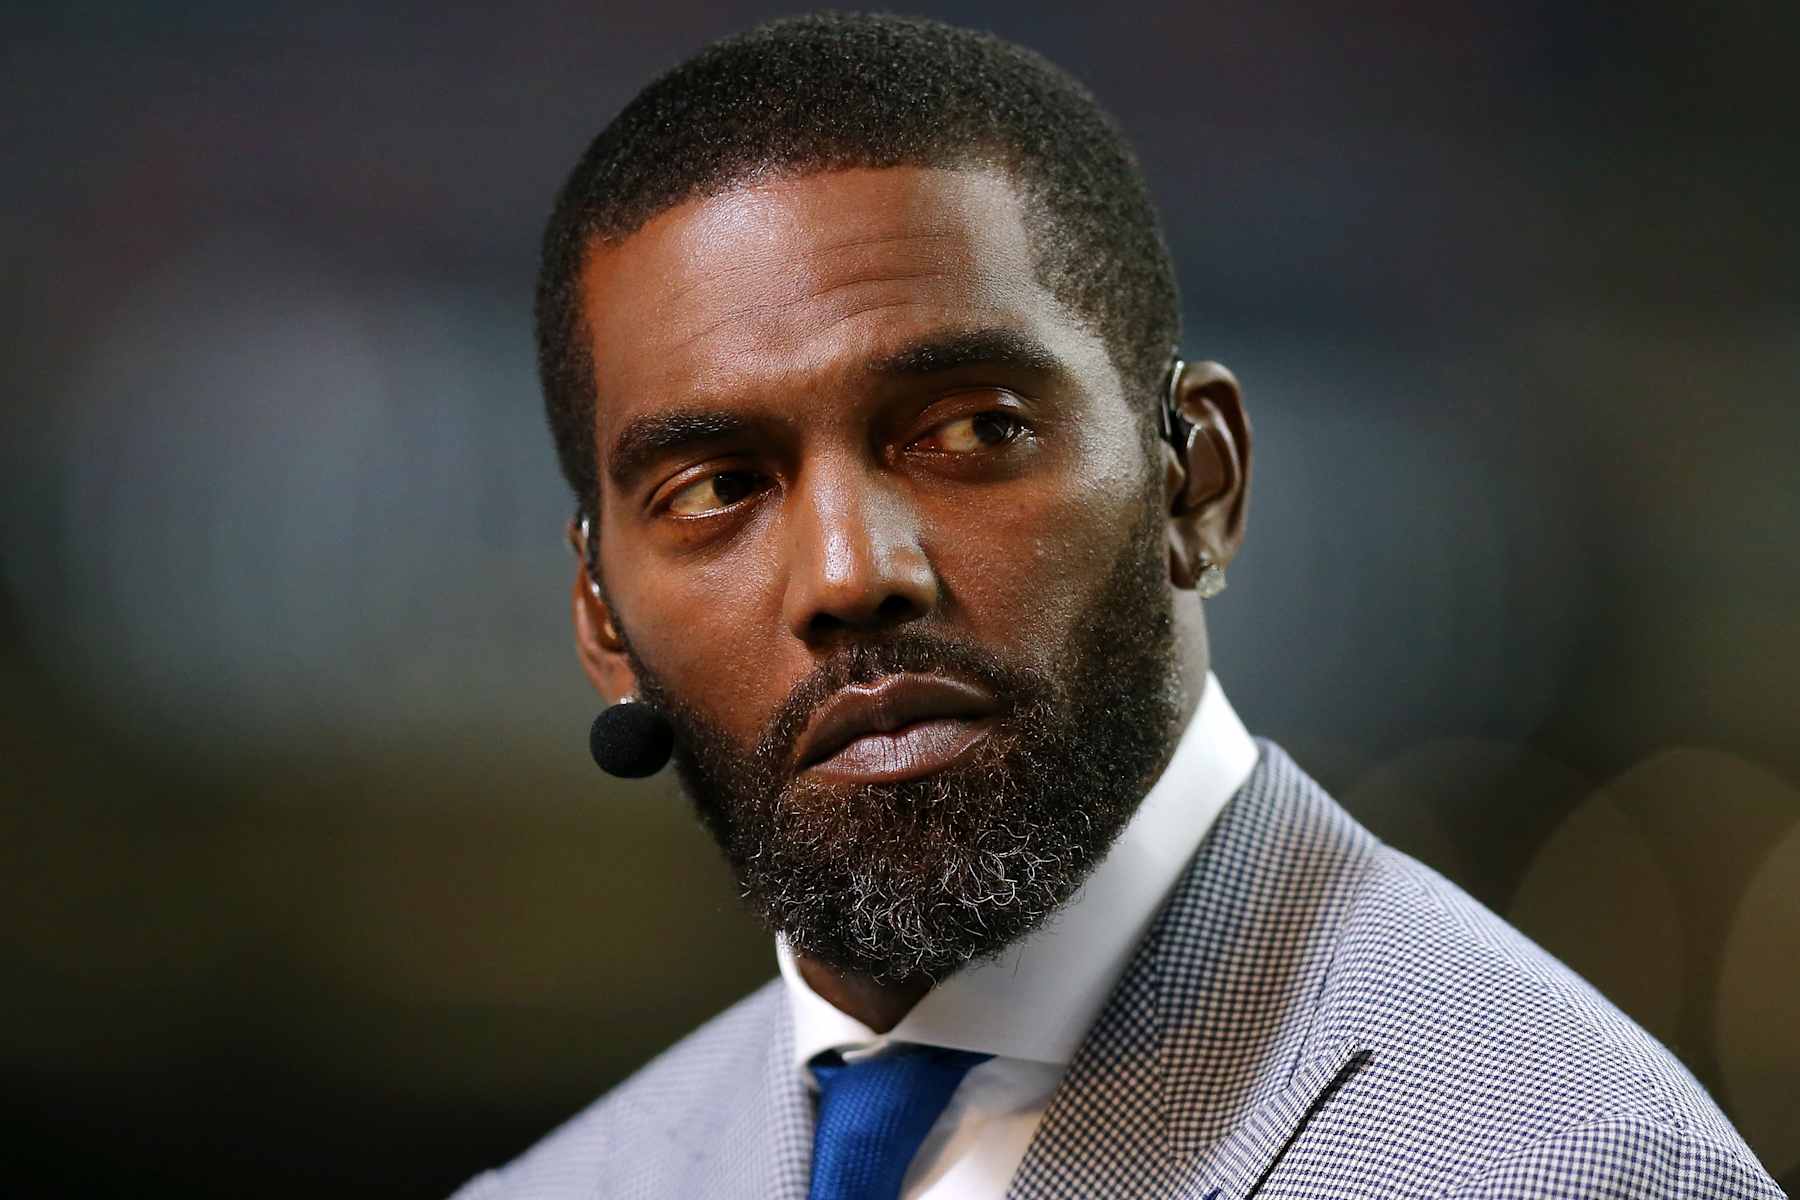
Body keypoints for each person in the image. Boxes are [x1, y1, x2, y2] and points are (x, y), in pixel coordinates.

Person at [453, 13, 1783, 1200]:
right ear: (604, 621)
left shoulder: (1574, 1164)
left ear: (1195, 481)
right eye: (716, 486)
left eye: (973, 428)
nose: (853, 573)